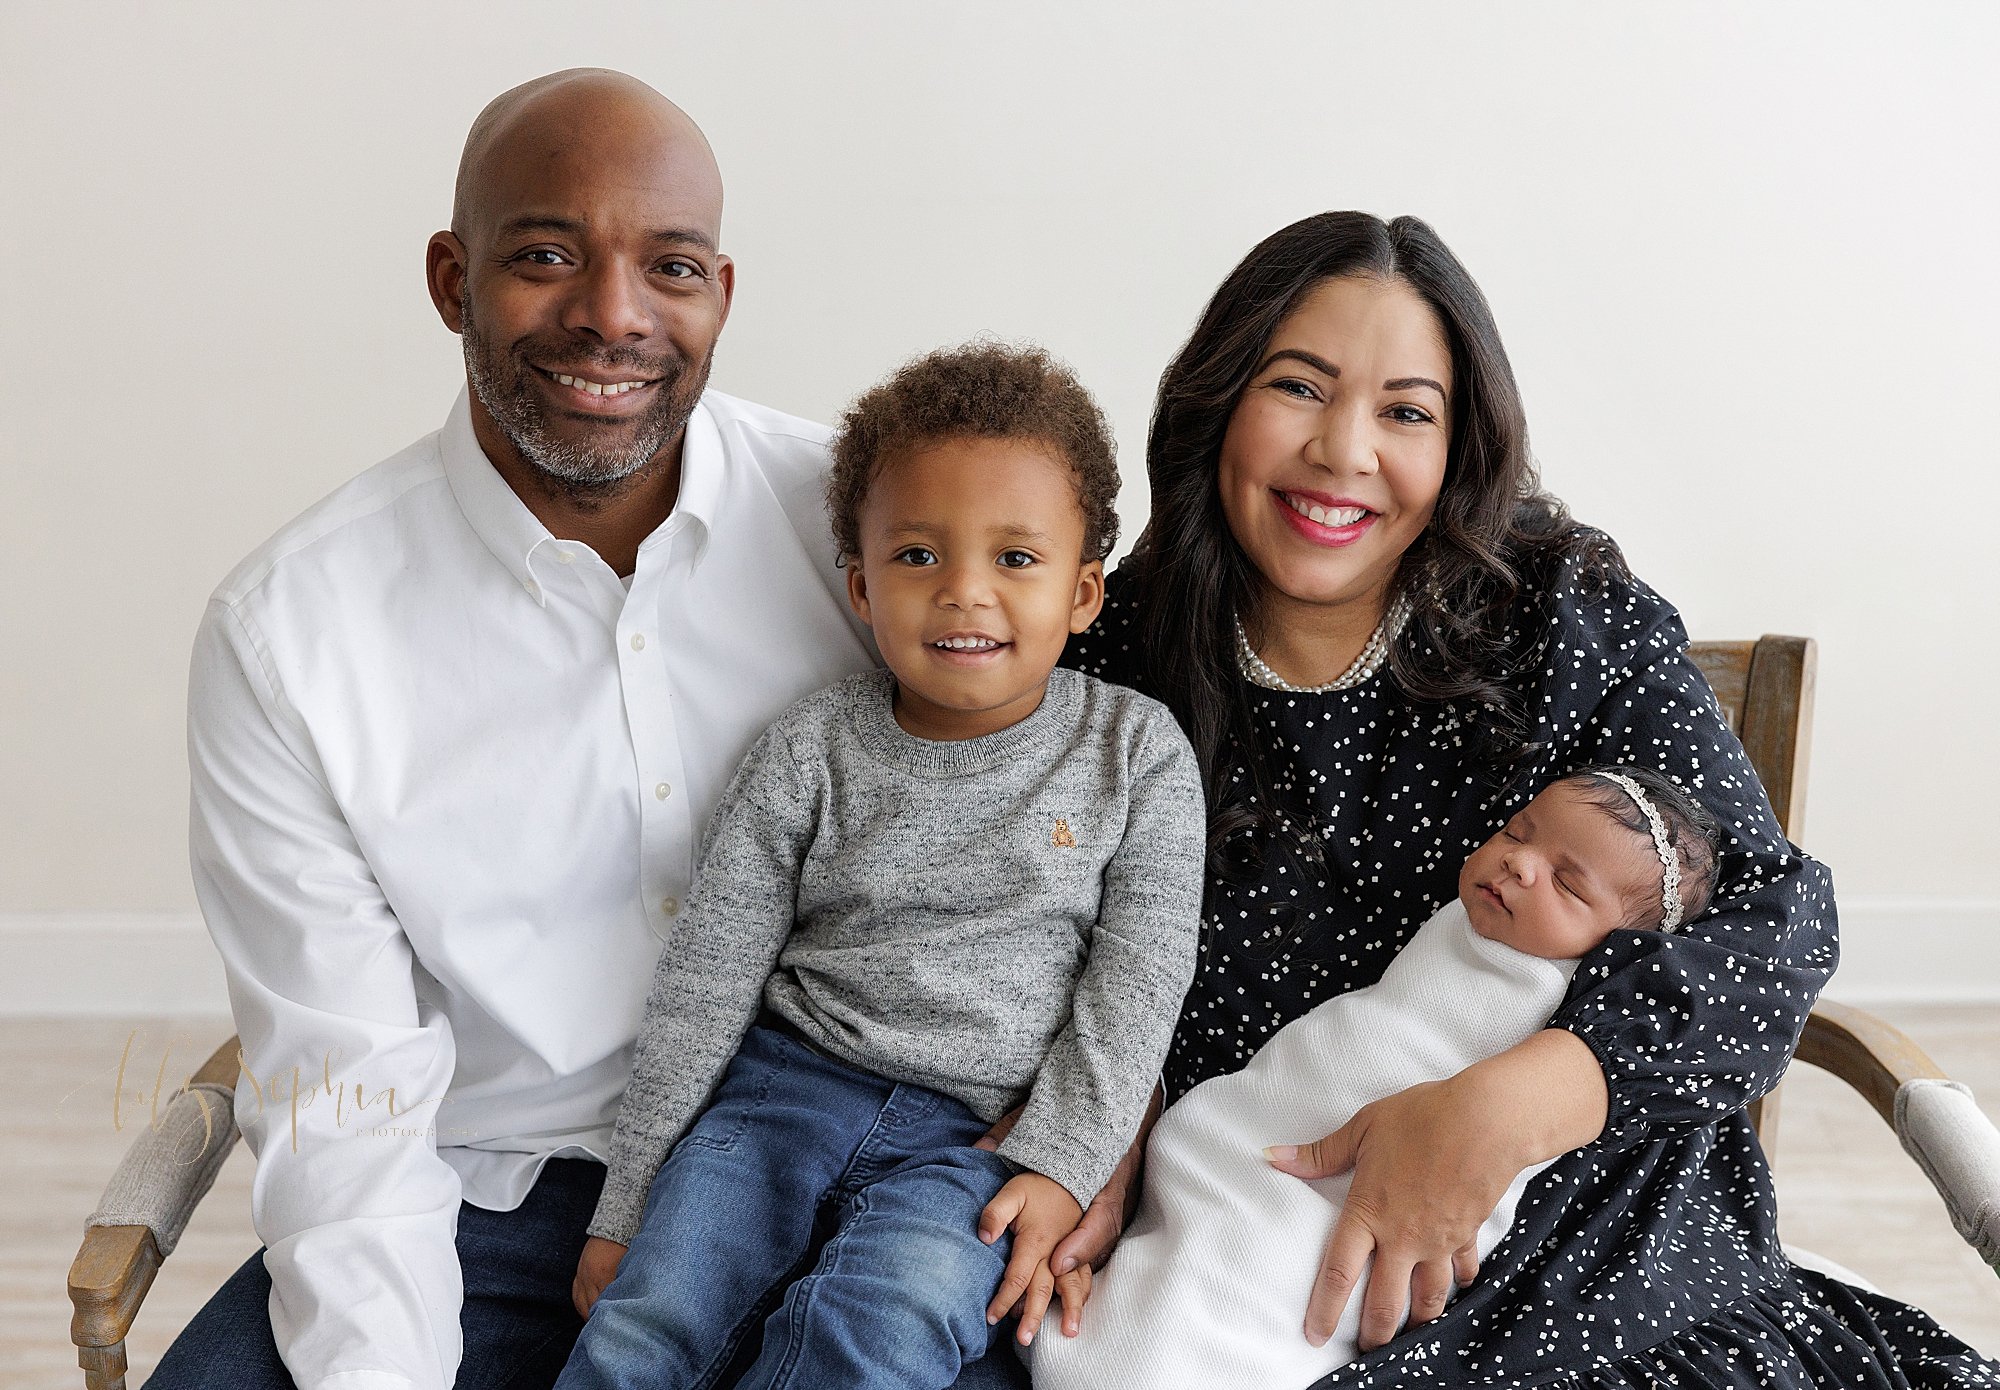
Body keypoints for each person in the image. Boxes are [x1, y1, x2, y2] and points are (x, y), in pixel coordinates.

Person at [960, 210, 2000, 1390]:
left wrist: (1504, 1107)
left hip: (1603, 1279)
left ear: (1459, 447)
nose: (1343, 451)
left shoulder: (1560, 610)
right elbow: (1021, 928)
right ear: (1215, 403)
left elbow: (1771, 915)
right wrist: (1100, 1116)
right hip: (1244, 1286)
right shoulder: (1106, 654)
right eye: (1298, 387)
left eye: (1405, 411)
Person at [154, 71, 880, 1390]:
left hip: (846, 1173)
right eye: (547, 255)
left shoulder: (872, 531)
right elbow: (347, 1102)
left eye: (669, 267)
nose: (614, 316)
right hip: (490, 1206)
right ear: (450, 279)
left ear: (722, 291)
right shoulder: (292, 633)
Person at [551, 343, 1206, 1390]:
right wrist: (629, 1198)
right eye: (916, 557)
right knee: (646, 1325)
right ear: (858, 586)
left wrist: (1059, 1160)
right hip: (781, 1096)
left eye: (1015, 559)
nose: (963, 594)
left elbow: (1134, 988)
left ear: (1084, 591)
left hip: (980, 1139)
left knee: (879, 1324)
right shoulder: (807, 749)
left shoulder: (1135, 755)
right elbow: (707, 978)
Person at [1029, 765, 1723, 1388]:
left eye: (1568, 884)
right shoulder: (1464, 919)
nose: (1519, 865)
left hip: (1393, 1177)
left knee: (1280, 1277)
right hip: (1260, 1129)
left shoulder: (1573, 994)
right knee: (1203, 1217)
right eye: (1517, 832)